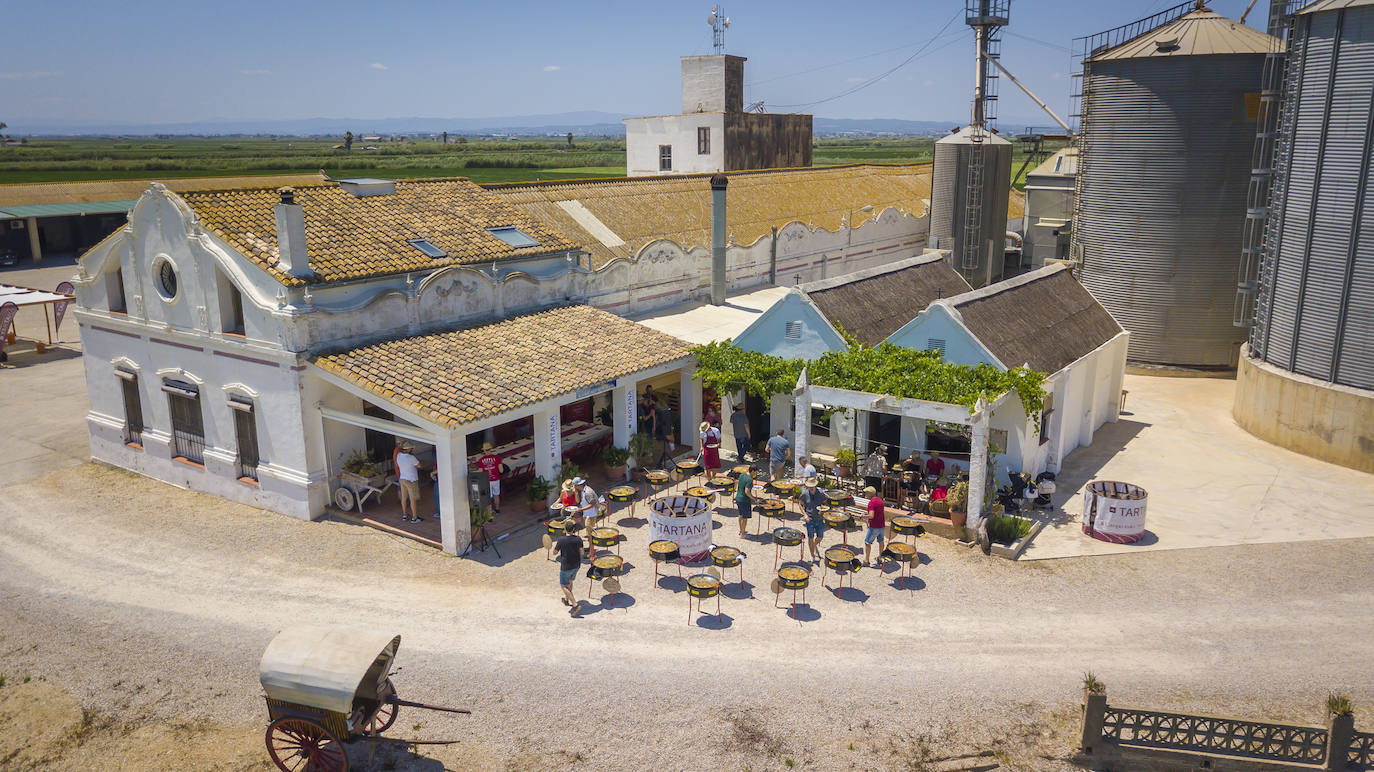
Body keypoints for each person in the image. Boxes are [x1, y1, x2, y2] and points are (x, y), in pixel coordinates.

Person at [553, 518, 584, 617]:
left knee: (563, 586)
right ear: (574, 529)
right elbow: (582, 552)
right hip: (576, 565)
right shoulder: (578, 539)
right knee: (570, 581)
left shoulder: (561, 540)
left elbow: (555, 552)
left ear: (565, 529)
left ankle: (575, 604)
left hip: (566, 566)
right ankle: (566, 599)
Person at [573, 477, 603, 559]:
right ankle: (590, 548)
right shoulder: (584, 491)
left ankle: (591, 553)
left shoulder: (587, 493)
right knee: (589, 533)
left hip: (591, 515)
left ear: (577, 485)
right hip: (587, 514)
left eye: (574, 486)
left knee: (590, 535)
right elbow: (583, 501)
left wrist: (581, 509)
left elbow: (592, 504)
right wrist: (579, 507)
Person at [799, 478, 827, 563]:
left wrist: (823, 509)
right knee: (810, 538)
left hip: (819, 518)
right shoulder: (804, 493)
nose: (811, 488)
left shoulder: (821, 493)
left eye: (812, 486)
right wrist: (805, 515)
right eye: (809, 486)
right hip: (810, 519)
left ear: (815, 485)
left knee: (820, 537)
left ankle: (814, 545)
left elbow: (824, 503)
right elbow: (800, 504)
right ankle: (812, 555)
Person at [394, 442, 424, 523]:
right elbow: (419, 465)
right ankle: (414, 517)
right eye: (411, 448)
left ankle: (404, 515)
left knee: (404, 498)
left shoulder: (399, 455)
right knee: (412, 499)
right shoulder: (411, 457)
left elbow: (397, 464)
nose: (411, 449)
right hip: (411, 480)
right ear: (408, 449)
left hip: (402, 478)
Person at [475, 441, 504, 514]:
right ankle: (497, 509)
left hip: (487, 480)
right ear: (491, 449)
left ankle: (489, 515)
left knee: (488, 498)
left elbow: (480, 472)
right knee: (496, 495)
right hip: (496, 480)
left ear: (484, 450)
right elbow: (501, 471)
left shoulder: (481, 460)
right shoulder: (497, 458)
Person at [862, 485, 886, 567]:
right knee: (881, 541)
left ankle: (866, 560)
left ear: (869, 493)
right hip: (882, 525)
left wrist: (863, 516)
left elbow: (871, 515)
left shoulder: (871, 503)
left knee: (867, 542)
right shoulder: (880, 500)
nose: (865, 494)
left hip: (874, 526)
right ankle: (879, 558)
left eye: (866, 492)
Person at [734, 465, 754, 538]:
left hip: (738, 498)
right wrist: (754, 499)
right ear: (753, 471)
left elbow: (738, 482)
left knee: (740, 515)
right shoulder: (750, 480)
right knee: (745, 518)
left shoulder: (742, 474)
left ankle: (741, 530)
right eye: (756, 472)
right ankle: (742, 534)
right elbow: (747, 491)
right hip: (744, 500)